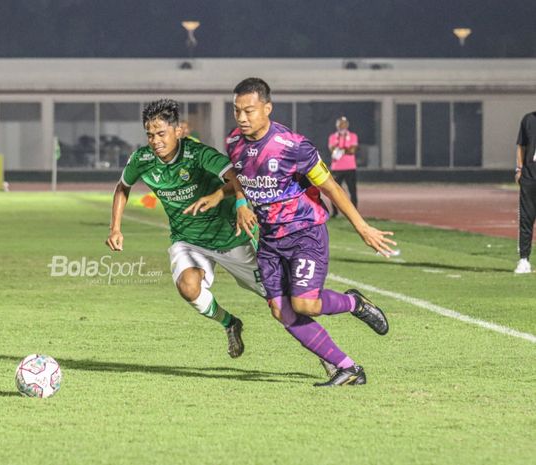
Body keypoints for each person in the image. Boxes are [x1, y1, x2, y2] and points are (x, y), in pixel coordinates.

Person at [187, 78, 396, 386]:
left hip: (304, 234)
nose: (242, 118)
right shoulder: (234, 143)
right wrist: (224, 195)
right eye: (237, 111)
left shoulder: (293, 146)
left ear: (267, 109)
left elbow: (331, 188)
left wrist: (362, 228)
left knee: (304, 304)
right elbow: (244, 180)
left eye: (249, 110)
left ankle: (355, 303)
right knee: (280, 310)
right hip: (269, 241)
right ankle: (348, 368)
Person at [107, 99, 338, 377]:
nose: (155, 141)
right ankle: (230, 323)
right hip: (187, 240)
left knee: (282, 305)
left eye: (161, 134)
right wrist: (115, 228)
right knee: (188, 287)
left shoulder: (198, 154)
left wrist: (241, 204)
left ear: (178, 131)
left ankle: (326, 355)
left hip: (232, 239)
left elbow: (235, 175)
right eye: (150, 135)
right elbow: (123, 187)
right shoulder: (142, 160)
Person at [515, 110, 536, 274]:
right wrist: (519, 169)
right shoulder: (528, 119)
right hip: (530, 175)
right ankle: (524, 259)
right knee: (526, 218)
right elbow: (521, 145)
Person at [327, 116, 358, 217]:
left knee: (352, 191)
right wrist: (346, 149)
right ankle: (335, 212)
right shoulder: (332, 137)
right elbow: (332, 150)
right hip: (337, 168)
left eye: (344, 123)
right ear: (337, 125)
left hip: (350, 167)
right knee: (333, 191)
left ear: (347, 125)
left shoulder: (353, 136)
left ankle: (354, 213)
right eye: (340, 123)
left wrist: (340, 149)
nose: (342, 125)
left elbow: (352, 150)